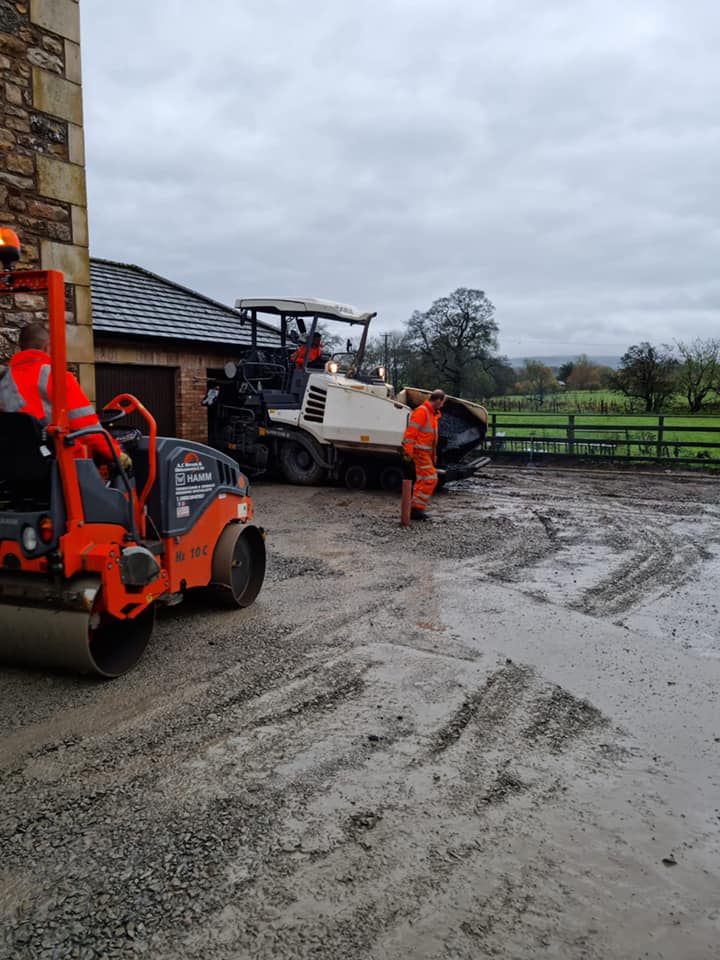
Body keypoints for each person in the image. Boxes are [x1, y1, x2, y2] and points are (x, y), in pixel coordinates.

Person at [0, 323, 129, 469]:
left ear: (20, 347)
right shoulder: (57, 377)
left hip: (13, 468)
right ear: (48, 347)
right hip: (62, 468)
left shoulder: (4, 379)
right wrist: (118, 454)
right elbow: (89, 429)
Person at [402, 388, 446, 520]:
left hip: (424, 453)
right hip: (420, 452)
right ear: (438, 400)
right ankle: (416, 508)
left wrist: (434, 456)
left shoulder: (431, 414)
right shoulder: (423, 412)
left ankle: (415, 508)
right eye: (442, 402)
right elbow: (411, 434)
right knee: (431, 479)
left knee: (423, 480)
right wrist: (408, 451)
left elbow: (430, 438)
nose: (443, 405)